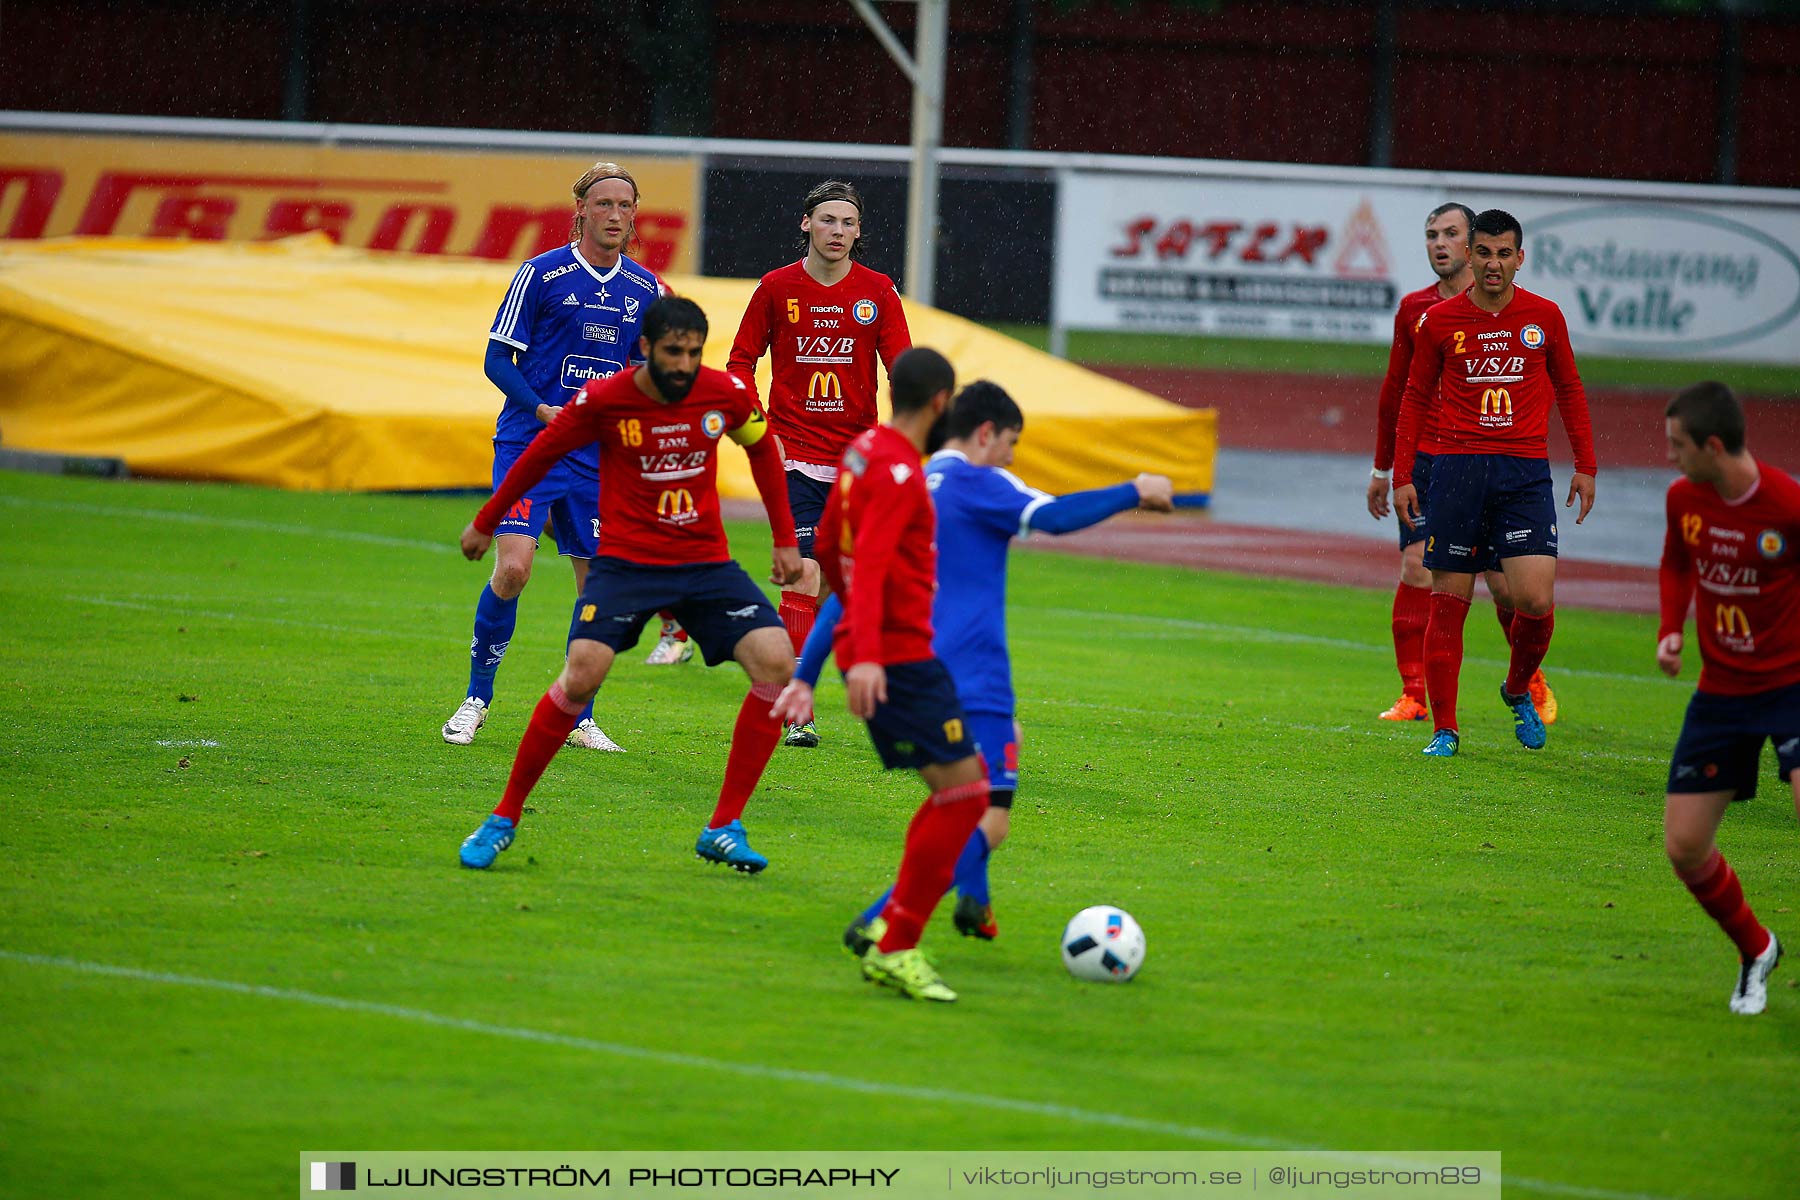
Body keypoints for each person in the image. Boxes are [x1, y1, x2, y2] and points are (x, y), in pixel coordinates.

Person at [787, 381, 1174, 945]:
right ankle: (883, 920)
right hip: (973, 678)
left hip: (912, 674)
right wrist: (1133, 489)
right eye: (1011, 443)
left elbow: (849, 589)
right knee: (985, 816)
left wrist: (805, 675)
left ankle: (975, 900)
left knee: (959, 798)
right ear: (986, 433)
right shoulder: (979, 481)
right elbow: (1057, 517)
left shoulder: (912, 481)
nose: (1012, 458)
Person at [456, 297, 802, 873]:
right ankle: (504, 817)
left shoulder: (725, 395)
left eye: (693, 352)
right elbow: (540, 454)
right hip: (627, 564)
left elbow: (762, 447)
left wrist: (785, 539)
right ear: (644, 347)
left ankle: (724, 826)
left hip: (704, 564)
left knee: (775, 662)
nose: (684, 364)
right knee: (583, 672)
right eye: (673, 351)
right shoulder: (605, 400)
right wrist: (487, 520)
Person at [769, 348, 987, 1002]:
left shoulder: (863, 448)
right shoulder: (896, 471)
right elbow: (870, 560)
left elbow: (833, 542)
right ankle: (897, 944)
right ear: (943, 403)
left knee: (953, 795)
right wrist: (863, 653)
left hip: (883, 652)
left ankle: (892, 928)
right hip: (901, 659)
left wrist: (831, 654)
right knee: (969, 798)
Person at [442, 161, 663, 754]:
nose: (615, 216)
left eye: (625, 206)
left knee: (597, 591)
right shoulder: (540, 275)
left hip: (598, 459)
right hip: (531, 443)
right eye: (604, 205)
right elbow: (496, 361)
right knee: (513, 568)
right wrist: (542, 410)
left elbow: (653, 373)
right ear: (582, 211)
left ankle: (579, 712)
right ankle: (476, 699)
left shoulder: (647, 291)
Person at [1391, 209, 1597, 757]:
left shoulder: (1544, 317)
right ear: (1471, 256)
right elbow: (1413, 397)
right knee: (1448, 600)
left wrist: (1586, 465)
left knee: (1533, 598)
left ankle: (1515, 687)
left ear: (1519, 258)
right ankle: (1446, 729)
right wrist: (1402, 474)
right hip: (1458, 472)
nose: (1493, 264)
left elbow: (1571, 389)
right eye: (1483, 252)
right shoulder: (1438, 322)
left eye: (1504, 254)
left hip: (1525, 474)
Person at [729, 180, 912, 748]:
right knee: (807, 573)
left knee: (838, 584)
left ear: (859, 232)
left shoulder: (877, 292)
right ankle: (796, 709)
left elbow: (903, 369)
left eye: (848, 223)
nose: (838, 232)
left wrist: (898, 440)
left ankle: (797, 659)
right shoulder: (775, 288)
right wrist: (762, 435)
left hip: (856, 464)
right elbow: (739, 364)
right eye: (827, 220)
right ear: (805, 224)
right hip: (795, 457)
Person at [1367, 203, 1556, 726]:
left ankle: (1528, 680)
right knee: (1415, 567)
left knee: (1502, 585)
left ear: (1473, 245)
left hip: (1492, 465)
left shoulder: (1509, 310)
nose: (1438, 244)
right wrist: (1386, 469)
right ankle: (1414, 695)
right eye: (1431, 235)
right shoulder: (1414, 310)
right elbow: (1397, 392)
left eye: (1449, 234)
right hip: (1431, 463)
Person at [1657, 381, 1797, 1015]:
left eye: (1678, 445)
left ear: (1714, 445)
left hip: (1791, 685)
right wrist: (1670, 628)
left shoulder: (1787, 505)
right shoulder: (1684, 498)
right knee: (1684, 846)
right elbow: (1677, 564)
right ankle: (1756, 948)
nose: (1671, 457)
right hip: (1721, 692)